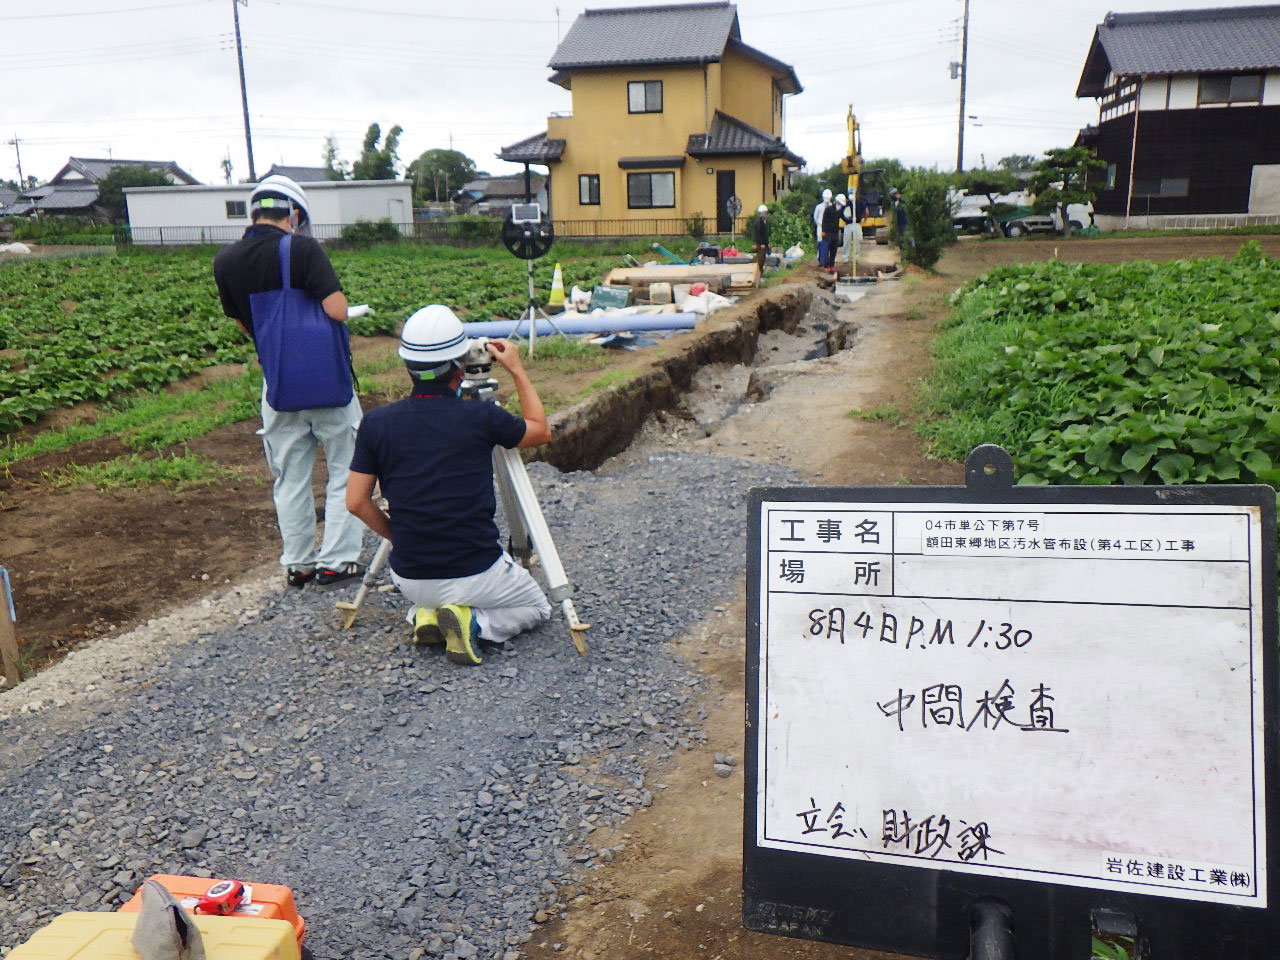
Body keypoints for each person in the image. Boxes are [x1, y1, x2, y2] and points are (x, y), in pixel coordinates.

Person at [346, 306, 552, 666]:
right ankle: (474, 622)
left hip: (410, 576)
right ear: (460, 364)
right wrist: (517, 370)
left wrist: (399, 537)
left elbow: (355, 502)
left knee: (431, 594)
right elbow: (540, 430)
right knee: (536, 606)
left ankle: (424, 615)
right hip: (476, 572)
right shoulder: (481, 417)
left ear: (407, 365)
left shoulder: (376, 423)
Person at [213, 174, 366, 589]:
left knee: (290, 475)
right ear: (294, 215)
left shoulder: (225, 261)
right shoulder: (302, 248)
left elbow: (247, 323)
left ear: (253, 212)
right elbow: (336, 310)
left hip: (278, 382)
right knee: (344, 465)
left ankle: (299, 563)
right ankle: (336, 560)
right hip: (326, 378)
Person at [821, 194, 842, 272]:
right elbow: (824, 221)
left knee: (834, 249)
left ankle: (832, 265)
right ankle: (826, 265)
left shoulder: (841, 210)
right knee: (827, 249)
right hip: (828, 232)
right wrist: (823, 231)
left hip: (835, 232)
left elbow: (845, 217)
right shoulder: (829, 209)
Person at [812, 188, 832, 265]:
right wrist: (819, 224)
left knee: (827, 244)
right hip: (820, 227)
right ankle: (820, 259)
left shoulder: (831, 206)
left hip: (829, 228)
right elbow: (815, 216)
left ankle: (826, 260)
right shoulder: (819, 207)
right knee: (820, 243)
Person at [752, 204, 770, 272]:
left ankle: (761, 271)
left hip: (764, 244)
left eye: (765, 213)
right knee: (760, 258)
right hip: (760, 244)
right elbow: (758, 234)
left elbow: (765, 234)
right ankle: (759, 272)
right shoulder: (759, 222)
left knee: (763, 258)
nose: (764, 214)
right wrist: (760, 243)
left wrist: (767, 243)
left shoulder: (764, 221)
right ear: (760, 213)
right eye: (763, 213)